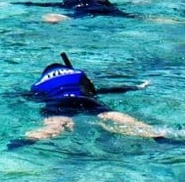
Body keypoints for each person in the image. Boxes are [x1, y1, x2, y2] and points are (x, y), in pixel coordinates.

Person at [12, 54, 172, 144]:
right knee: (110, 116)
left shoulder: (37, 85)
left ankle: (30, 139)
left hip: (57, 102)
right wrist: (137, 87)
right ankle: (156, 135)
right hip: (84, 99)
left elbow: (21, 97)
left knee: (57, 123)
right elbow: (99, 91)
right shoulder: (77, 73)